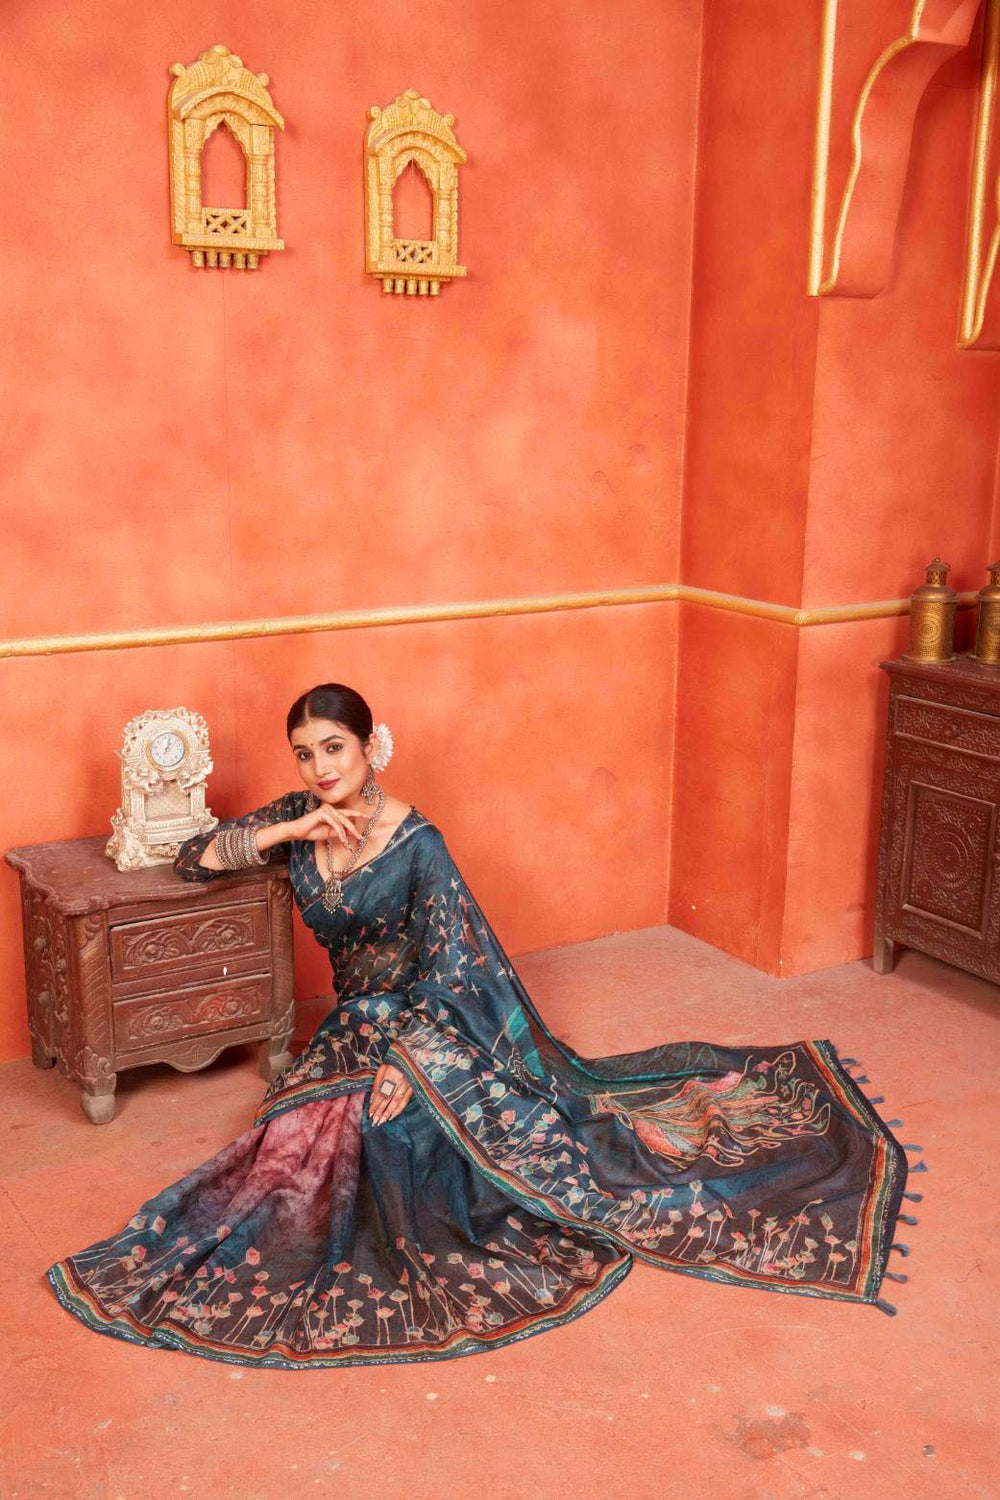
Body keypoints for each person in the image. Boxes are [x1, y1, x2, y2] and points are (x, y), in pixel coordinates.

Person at [47, 683, 913, 1368]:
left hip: (431, 1025)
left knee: (395, 1146)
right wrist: (293, 829)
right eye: (306, 754)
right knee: (286, 1148)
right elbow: (193, 858)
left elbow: (457, 969)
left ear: (371, 744)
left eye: (334, 749)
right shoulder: (296, 817)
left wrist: (409, 1061)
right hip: (350, 1026)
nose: (320, 767)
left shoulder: (418, 845)